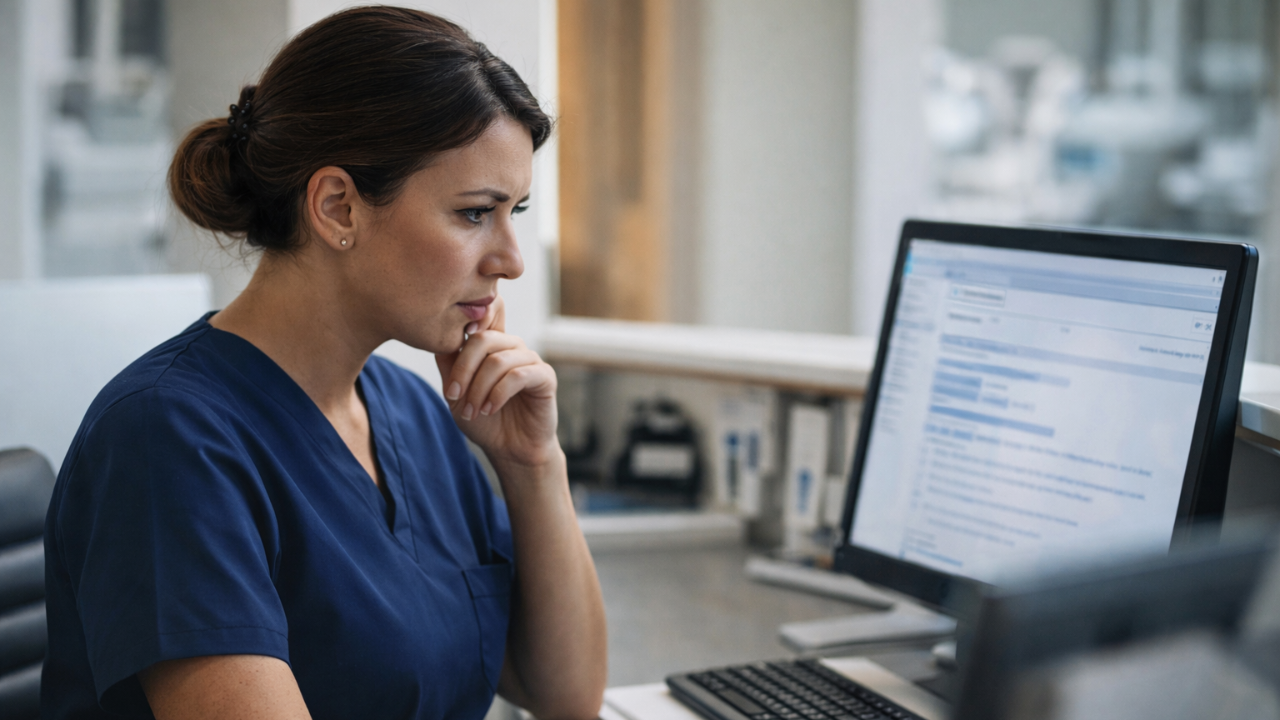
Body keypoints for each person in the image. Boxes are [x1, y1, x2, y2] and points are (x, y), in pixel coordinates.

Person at [41, 7, 607, 719]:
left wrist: (533, 466)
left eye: (515, 213)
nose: (511, 261)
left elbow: (567, 696)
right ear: (338, 207)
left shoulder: (415, 412)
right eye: (473, 213)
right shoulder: (167, 438)